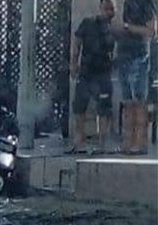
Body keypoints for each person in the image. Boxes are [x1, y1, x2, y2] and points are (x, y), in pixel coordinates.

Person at [70, 0, 117, 154]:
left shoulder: (114, 29)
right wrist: (74, 63)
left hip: (103, 73)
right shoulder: (88, 23)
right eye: (107, 8)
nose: (109, 12)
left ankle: (103, 143)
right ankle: (79, 142)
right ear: (100, 8)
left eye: (112, 9)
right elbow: (77, 42)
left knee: (104, 109)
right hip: (86, 72)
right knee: (79, 107)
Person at [117, 0, 156, 155]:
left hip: (139, 56)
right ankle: (128, 142)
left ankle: (140, 142)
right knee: (127, 102)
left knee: (139, 101)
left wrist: (128, 27)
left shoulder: (146, 3)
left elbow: (151, 31)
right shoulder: (127, 3)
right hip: (123, 55)